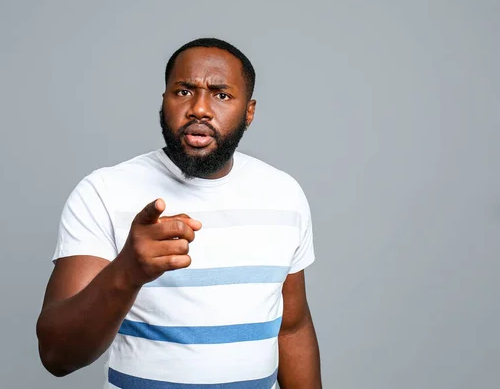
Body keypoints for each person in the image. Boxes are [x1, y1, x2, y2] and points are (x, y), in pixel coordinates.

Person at [36, 37, 322, 388]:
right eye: (184, 92)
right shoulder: (104, 192)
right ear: (164, 101)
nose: (199, 109)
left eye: (221, 95)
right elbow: (57, 355)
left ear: (249, 112)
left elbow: (292, 328)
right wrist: (128, 271)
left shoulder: (283, 194)